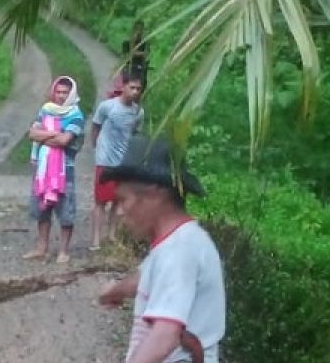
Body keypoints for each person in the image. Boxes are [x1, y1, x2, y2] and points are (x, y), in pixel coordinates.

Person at [98, 136, 224, 363]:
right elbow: (145, 277)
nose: (119, 212)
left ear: (153, 193)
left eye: (122, 200)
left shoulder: (179, 251)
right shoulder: (176, 244)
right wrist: (115, 291)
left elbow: (165, 336)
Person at [25, 75, 85, 264]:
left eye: (64, 93)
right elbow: (31, 133)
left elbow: (64, 141)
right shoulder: (46, 110)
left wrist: (43, 136)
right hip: (43, 168)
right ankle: (41, 247)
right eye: (58, 92)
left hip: (64, 169)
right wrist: (52, 134)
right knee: (42, 208)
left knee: (66, 210)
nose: (60, 96)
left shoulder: (76, 116)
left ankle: (64, 251)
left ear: (71, 94)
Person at [91, 69, 145, 250]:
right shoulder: (107, 107)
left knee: (117, 200)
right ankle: (96, 239)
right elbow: (96, 126)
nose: (135, 92)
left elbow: (135, 133)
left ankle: (112, 235)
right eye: (132, 87)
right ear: (123, 86)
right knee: (100, 201)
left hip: (123, 161)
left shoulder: (138, 112)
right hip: (105, 160)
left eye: (138, 89)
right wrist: (96, 146)